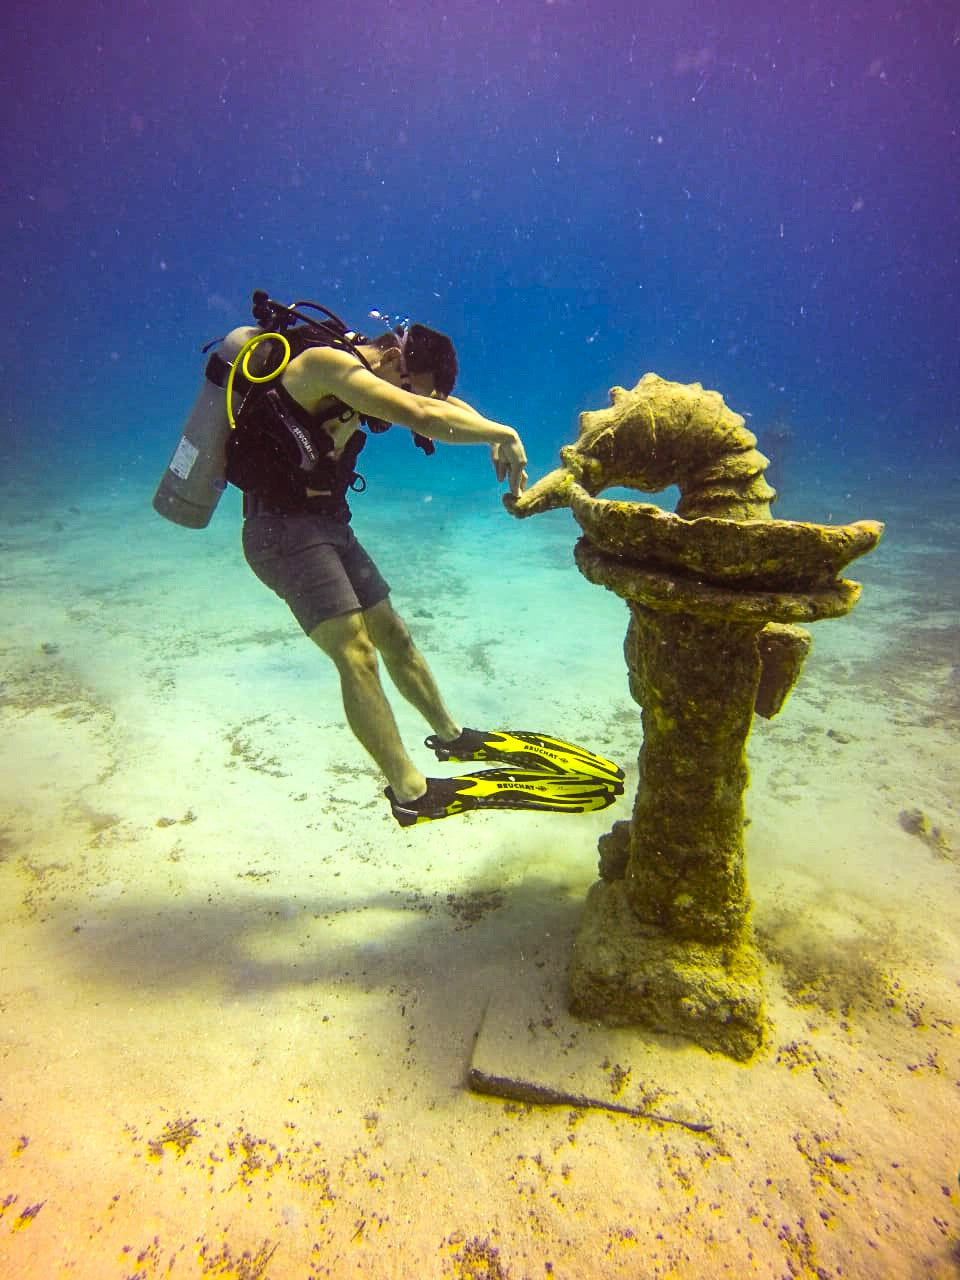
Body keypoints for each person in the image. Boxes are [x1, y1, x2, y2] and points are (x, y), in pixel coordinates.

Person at [227, 306, 623, 826]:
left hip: (326, 522)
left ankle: (453, 737)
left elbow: (435, 403)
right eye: (411, 386)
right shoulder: (327, 365)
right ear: (392, 357)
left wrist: (488, 427)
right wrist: (502, 432)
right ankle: (410, 791)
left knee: (394, 636)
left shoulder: (377, 370)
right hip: (279, 531)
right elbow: (422, 415)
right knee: (357, 654)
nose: (410, 397)